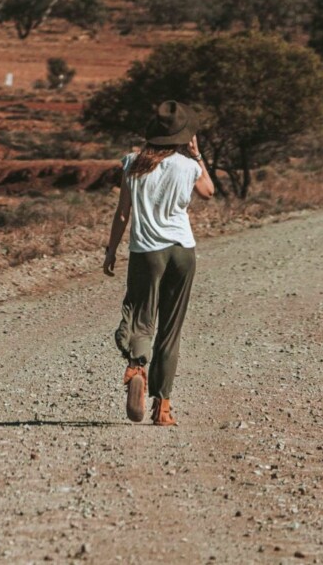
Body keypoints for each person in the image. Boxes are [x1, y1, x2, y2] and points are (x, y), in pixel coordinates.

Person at [103, 100, 215, 425]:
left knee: (140, 317)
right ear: (184, 136)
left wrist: (111, 251)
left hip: (146, 252)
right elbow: (208, 191)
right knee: (171, 329)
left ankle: (138, 365)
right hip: (183, 251)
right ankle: (162, 408)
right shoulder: (188, 166)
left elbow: (123, 213)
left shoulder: (132, 163)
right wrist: (197, 155)